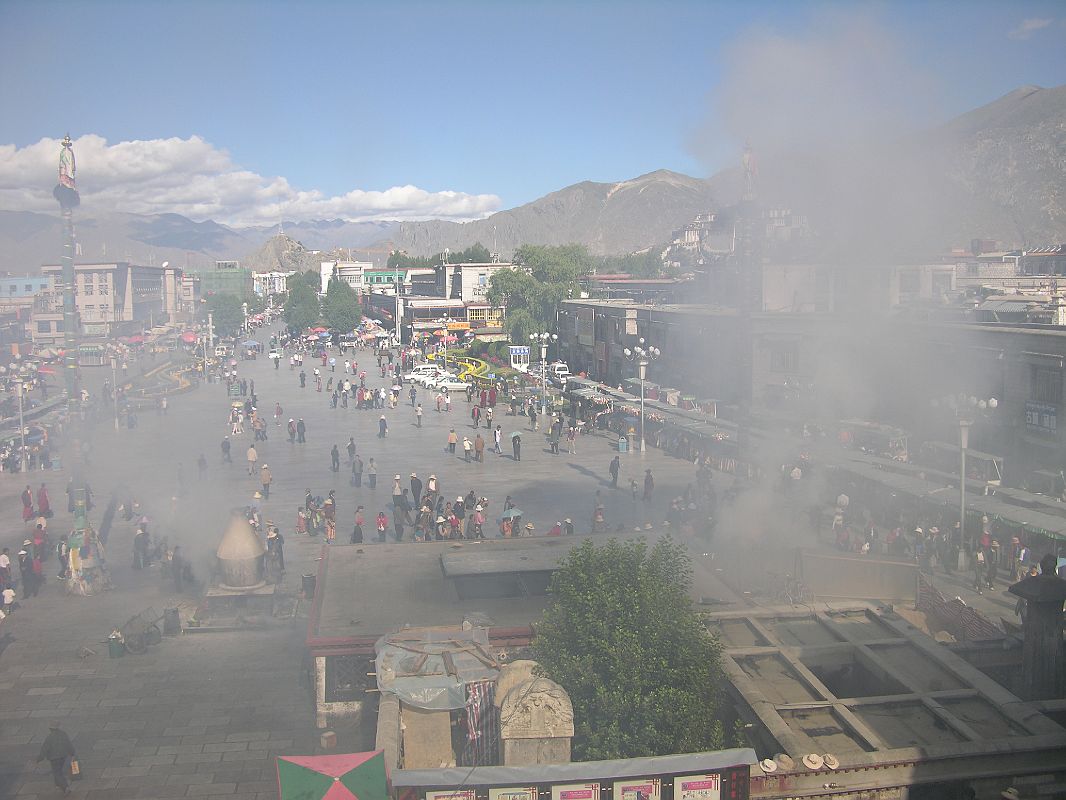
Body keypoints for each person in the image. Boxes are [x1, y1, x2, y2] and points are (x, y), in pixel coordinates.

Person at [37, 722, 76, 795]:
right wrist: (72, 752)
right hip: (63, 756)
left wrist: (40, 758)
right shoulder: (63, 734)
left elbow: (45, 748)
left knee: (57, 773)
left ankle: (65, 787)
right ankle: (58, 784)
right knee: (58, 771)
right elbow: (68, 743)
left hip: (54, 758)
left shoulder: (49, 737)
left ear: (50, 729)